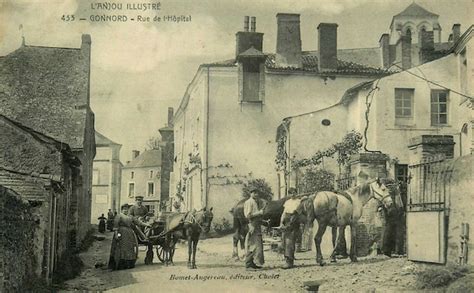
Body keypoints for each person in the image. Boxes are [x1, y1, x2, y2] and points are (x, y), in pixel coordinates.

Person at [108, 204, 140, 270]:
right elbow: (116, 225)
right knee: (121, 247)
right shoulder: (119, 216)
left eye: (127, 209)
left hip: (129, 234)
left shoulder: (130, 217)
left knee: (129, 247)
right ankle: (120, 264)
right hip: (121, 233)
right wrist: (116, 234)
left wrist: (147, 224)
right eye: (124, 209)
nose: (125, 210)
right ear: (122, 210)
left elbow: (138, 222)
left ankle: (128, 264)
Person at [279, 187, 302, 269]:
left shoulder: (299, 202)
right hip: (286, 220)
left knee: (290, 241)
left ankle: (289, 262)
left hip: (293, 221)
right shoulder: (287, 202)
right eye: (291, 193)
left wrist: (290, 224)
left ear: (296, 193)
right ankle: (287, 259)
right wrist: (281, 222)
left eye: (294, 192)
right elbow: (284, 213)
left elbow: (297, 213)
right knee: (285, 241)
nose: (292, 194)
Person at [244, 188, 266, 270]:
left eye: (257, 193)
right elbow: (248, 215)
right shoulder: (249, 202)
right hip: (252, 224)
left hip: (256, 224)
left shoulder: (255, 202)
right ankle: (248, 264)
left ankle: (252, 263)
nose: (256, 194)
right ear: (250, 193)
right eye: (254, 193)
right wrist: (259, 213)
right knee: (252, 244)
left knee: (257, 245)